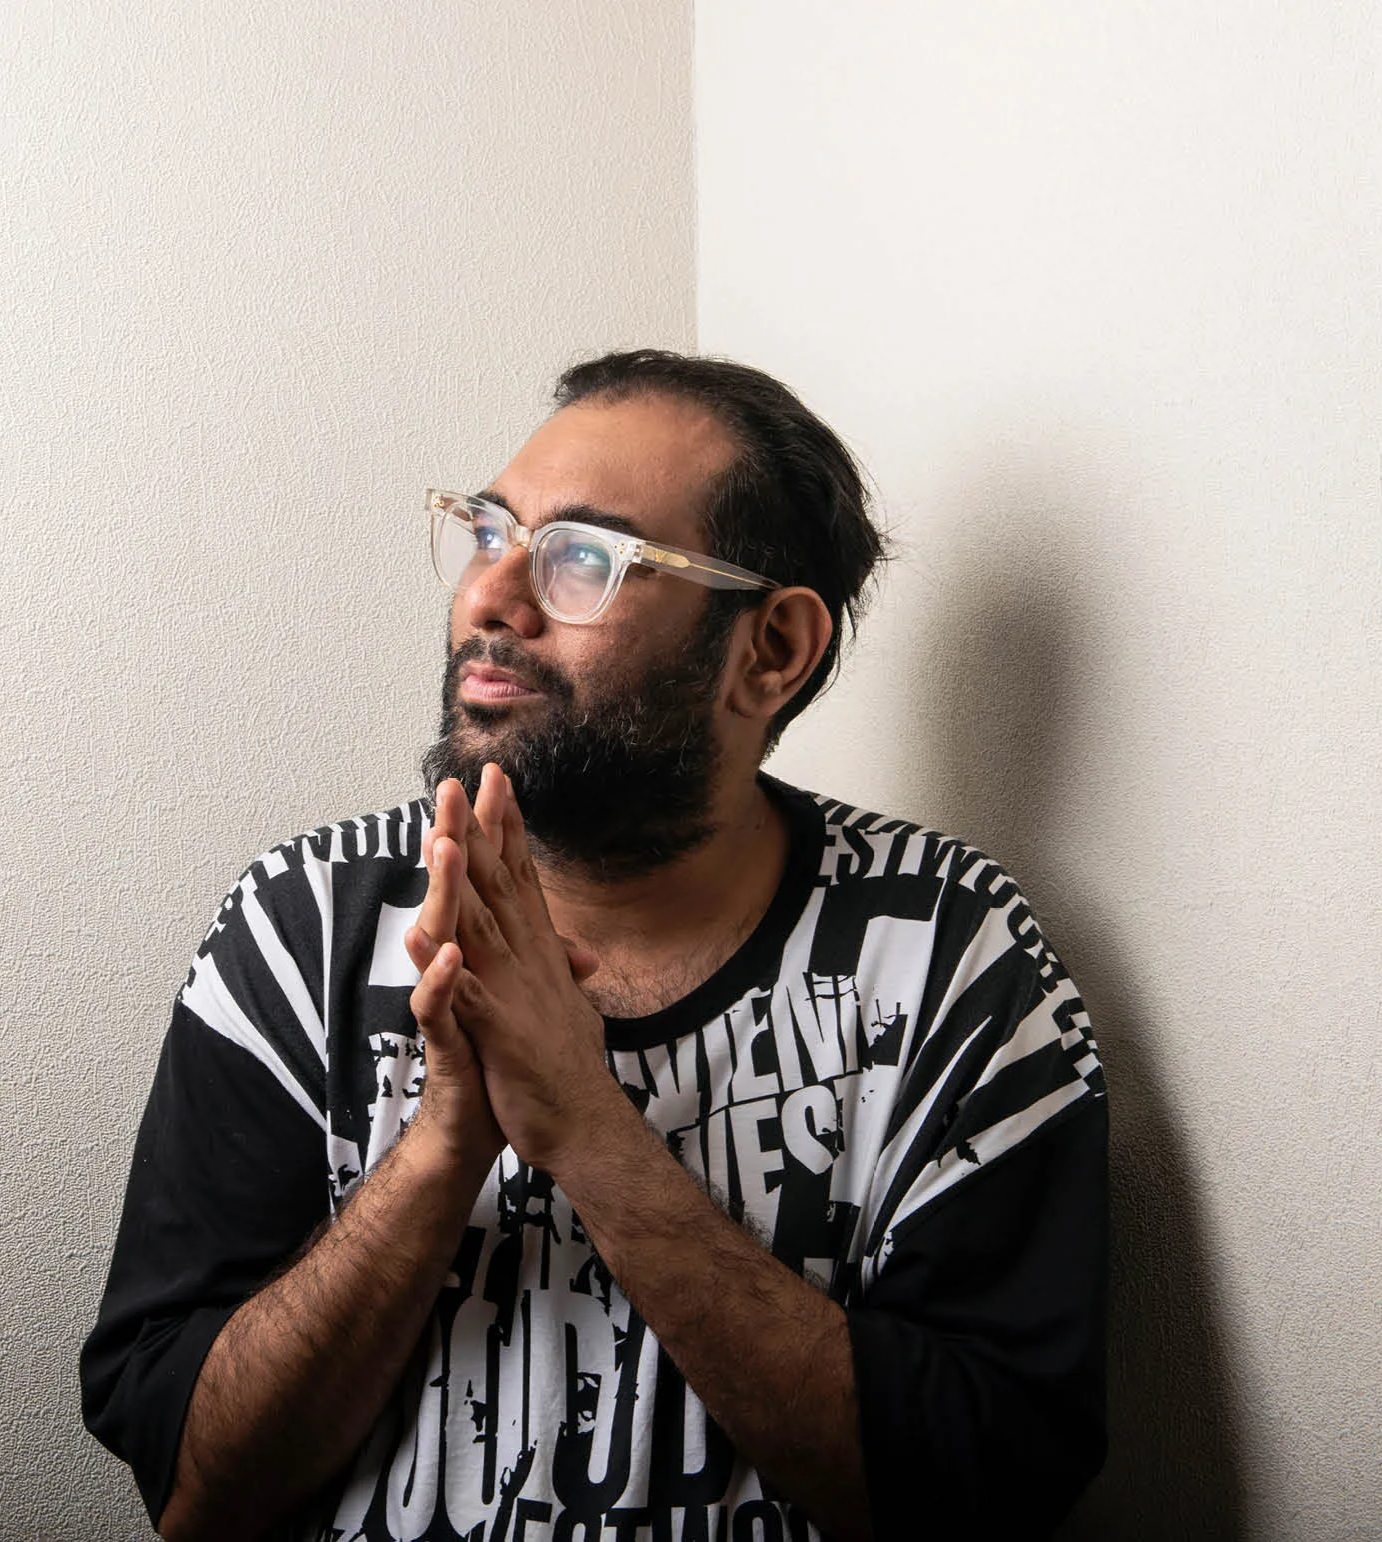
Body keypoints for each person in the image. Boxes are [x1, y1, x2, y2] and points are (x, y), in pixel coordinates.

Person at [81, 351, 1108, 1542]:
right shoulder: (304, 924)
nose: (489, 599)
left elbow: (990, 1497)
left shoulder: (947, 954)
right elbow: (196, 1491)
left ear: (770, 649)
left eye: (583, 559)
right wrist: (446, 1140)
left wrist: (585, 1130)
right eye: (487, 532)